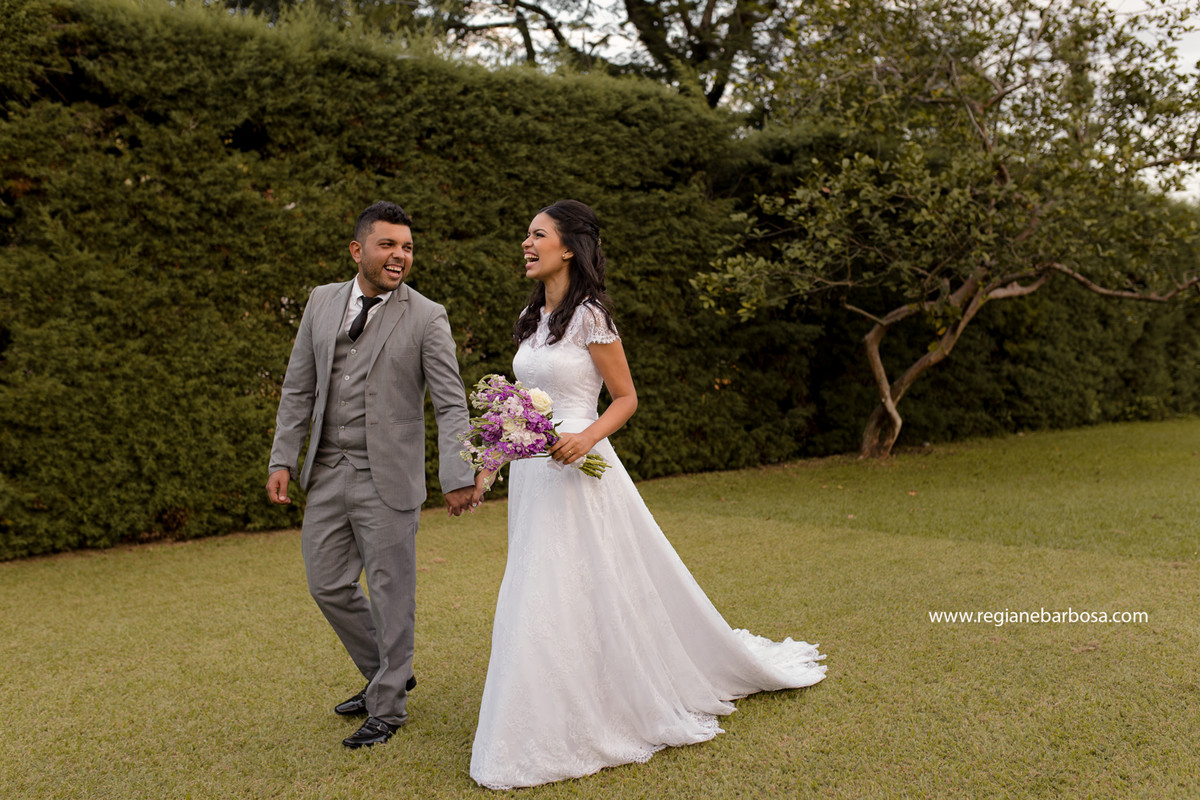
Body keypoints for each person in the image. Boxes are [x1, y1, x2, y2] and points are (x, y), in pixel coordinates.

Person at [467, 199, 827, 789]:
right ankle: (551, 697)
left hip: (584, 471)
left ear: (568, 247)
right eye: (526, 236)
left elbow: (626, 397)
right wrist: (490, 464)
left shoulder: (590, 317)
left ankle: (593, 707)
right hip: (535, 477)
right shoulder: (533, 319)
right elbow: (518, 409)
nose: (526, 245)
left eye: (537, 235)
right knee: (540, 580)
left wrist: (584, 437)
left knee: (575, 581)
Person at [266, 201, 477, 749]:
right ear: (358, 250)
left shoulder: (427, 316)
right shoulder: (321, 302)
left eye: (406, 247)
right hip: (328, 469)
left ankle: (387, 706)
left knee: (391, 593)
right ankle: (390, 671)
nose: (400, 256)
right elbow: (298, 388)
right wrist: (282, 458)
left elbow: (452, 405)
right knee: (327, 583)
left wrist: (458, 470)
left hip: (389, 477)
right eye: (388, 245)